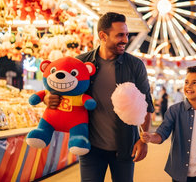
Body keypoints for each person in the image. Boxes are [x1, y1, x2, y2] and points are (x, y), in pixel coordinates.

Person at [43, 12, 154, 182]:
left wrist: (143, 140)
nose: (125, 39)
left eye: (126, 34)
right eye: (120, 35)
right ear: (103, 35)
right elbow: (58, 91)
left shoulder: (135, 65)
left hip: (125, 147)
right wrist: (48, 99)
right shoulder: (80, 64)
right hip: (90, 148)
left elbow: (147, 105)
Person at [140, 66, 196, 182]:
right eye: (186, 82)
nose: (188, 86)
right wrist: (151, 137)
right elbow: (162, 133)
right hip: (179, 173)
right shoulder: (174, 111)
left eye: (194, 83)